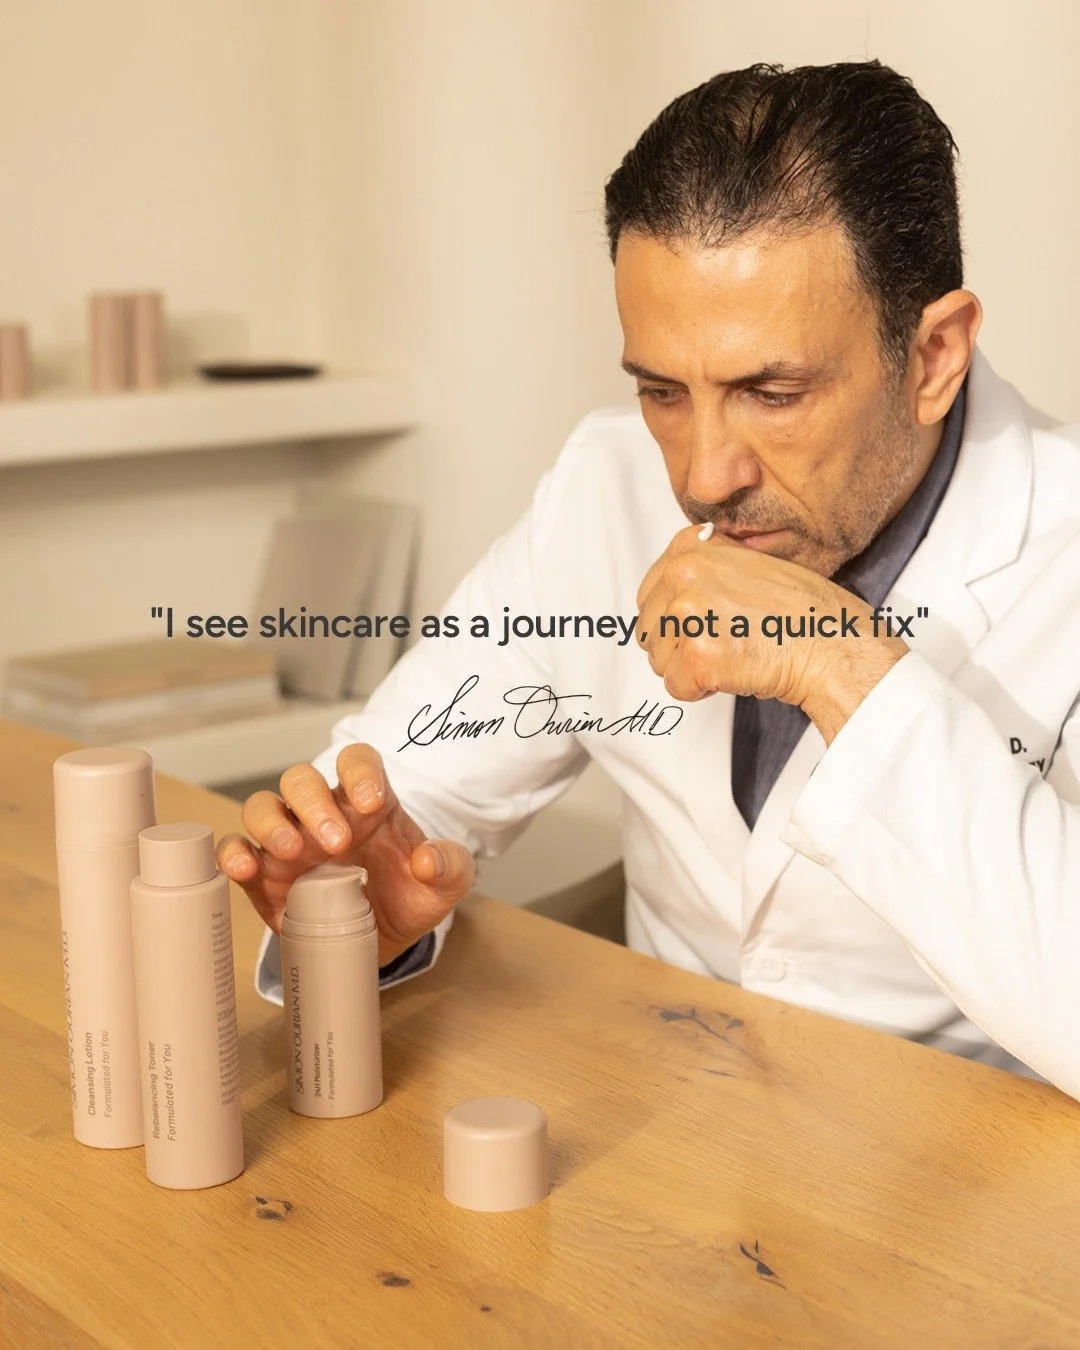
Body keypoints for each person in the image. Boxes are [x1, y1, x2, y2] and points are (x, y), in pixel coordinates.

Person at [217, 60, 1080, 1099]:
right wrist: (356, 900)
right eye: (663, 391)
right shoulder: (606, 482)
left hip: (971, 1165)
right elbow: (411, 783)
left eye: (773, 391)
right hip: (665, 1130)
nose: (703, 476)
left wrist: (843, 669)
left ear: (934, 355)